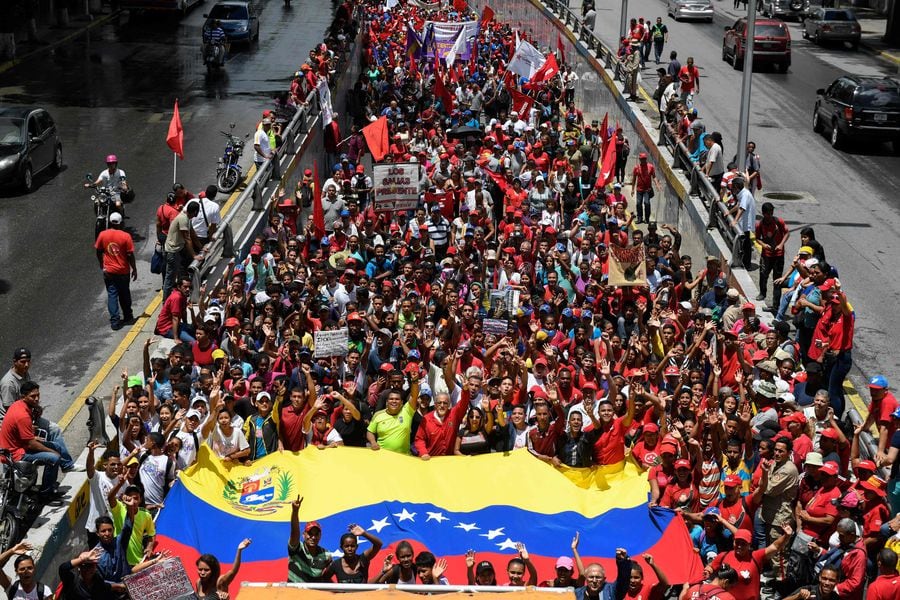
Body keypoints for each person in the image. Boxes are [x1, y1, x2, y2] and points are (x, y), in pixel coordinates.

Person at [0, 382, 66, 499]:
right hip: (16, 454)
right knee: (54, 458)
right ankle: (46, 493)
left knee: (57, 447)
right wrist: (50, 451)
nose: (36, 399)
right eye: (32, 396)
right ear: (23, 397)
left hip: (19, 445)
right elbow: (31, 444)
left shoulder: (18, 405)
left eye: (38, 395)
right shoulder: (22, 415)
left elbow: (23, 435)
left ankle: (65, 466)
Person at [94, 211, 137, 330]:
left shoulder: (103, 234)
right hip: (123, 271)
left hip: (109, 271)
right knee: (124, 293)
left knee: (112, 295)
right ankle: (128, 315)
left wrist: (102, 264)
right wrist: (134, 268)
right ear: (121, 223)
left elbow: (98, 251)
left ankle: (115, 321)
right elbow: (130, 255)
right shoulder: (126, 236)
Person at [163, 201, 202, 300]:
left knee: (177, 274)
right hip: (173, 252)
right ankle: (166, 302)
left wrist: (201, 248)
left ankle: (178, 295)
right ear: (195, 212)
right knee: (170, 279)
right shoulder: (183, 219)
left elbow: (192, 234)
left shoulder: (187, 218)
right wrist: (194, 255)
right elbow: (187, 238)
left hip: (179, 250)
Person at [288, 497, 332, 582]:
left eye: (316, 534)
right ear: (303, 535)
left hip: (313, 594)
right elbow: (294, 532)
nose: (313, 537)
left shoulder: (326, 555)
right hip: (293, 593)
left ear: (320, 536)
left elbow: (327, 577)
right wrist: (295, 511)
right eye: (310, 534)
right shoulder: (297, 548)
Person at [754, 202, 788, 307]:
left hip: (778, 255)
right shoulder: (759, 224)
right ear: (764, 214)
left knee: (777, 279)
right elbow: (757, 238)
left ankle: (776, 303)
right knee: (763, 275)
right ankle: (762, 293)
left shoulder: (779, 222)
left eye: (772, 212)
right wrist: (763, 245)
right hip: (766, 256)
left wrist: (781, 244)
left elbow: (787, 233)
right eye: (768, 213)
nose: (770, 215)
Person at [729, 178, 756, 270]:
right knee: (744, 243)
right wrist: (729, 212)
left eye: (733, 187)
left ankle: (746, 264)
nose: (732, 189)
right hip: (744, 222)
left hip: (745, 223)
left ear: (736, 187)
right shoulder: (743, 193)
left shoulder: (745, 195)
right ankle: (745, 262)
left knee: (746, 244)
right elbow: (738, 205)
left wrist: (735, 221)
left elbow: (742, 208)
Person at [0, 347, 31, 420]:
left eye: (28, 361)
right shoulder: (8, 383)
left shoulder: (24, 373)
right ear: (15, 362)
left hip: (24, 413)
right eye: (23, 362)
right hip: (11, 419)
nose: (26, 365)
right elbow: (10, 410)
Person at [630, 152, 658, 224]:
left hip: (647, 189)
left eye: (644, 159)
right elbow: (634, 179)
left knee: (647, 203)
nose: (643, 160)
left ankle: (647, 218)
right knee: (638, 203)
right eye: (642, 159)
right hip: (639, 189)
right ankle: (640, 218)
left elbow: (654, 176)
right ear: (639, 159)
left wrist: (657, 184)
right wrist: (632, 189)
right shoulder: (636, 168)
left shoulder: (650, 167)